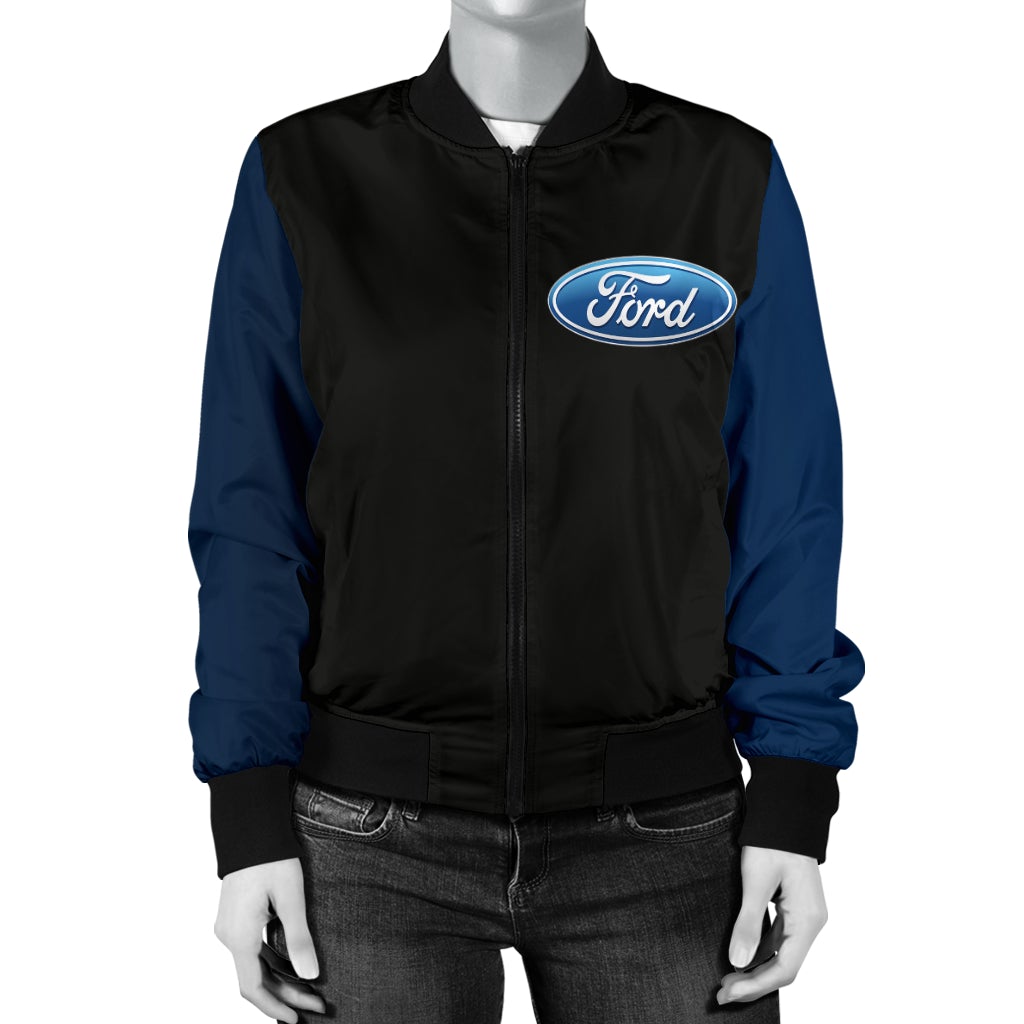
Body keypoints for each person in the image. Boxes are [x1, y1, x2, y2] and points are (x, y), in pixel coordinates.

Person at [187, 3, 865, 1021]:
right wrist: (246, 816)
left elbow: (787, 504)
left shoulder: (721, 177)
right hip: (369, 841)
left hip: (666, 835)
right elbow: (250, 512)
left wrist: (792, 791)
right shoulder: (308, 175)